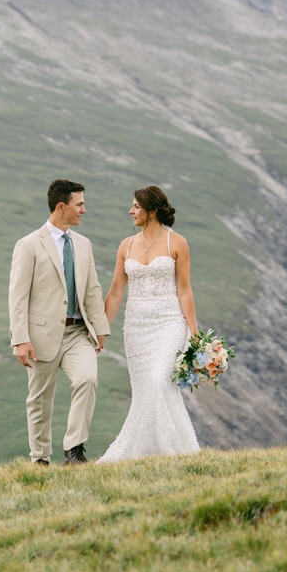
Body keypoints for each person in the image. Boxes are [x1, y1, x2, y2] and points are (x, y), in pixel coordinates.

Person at [8, 179, 110, 465]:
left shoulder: (83, 244)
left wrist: (100, 329)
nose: (84, 210)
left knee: (88, 379)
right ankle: (40, 459)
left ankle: (74, 451)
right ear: (61, 206)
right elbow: (17, 296)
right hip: (40, 336)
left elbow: (92, 289)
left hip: (78, 333)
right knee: (40, 400)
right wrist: (20, 339)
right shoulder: (28, 244)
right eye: (80, 205)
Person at [97, 185, 200, 462]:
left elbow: (184, 289)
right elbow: (116, 291)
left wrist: (194, 331)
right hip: (136, 328)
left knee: (158, 382)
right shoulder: (126, 246)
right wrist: (102, 330)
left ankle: (171, 449)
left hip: (169, 323)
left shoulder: (176, 243)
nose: (131, 211)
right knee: (145, 390)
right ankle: (150, 452)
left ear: (152, 210)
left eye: (136, 207)